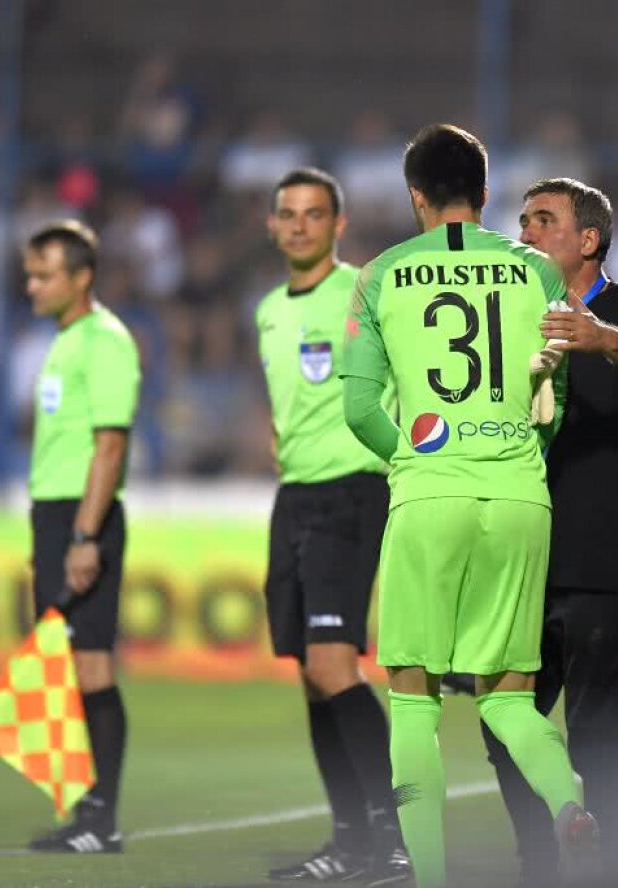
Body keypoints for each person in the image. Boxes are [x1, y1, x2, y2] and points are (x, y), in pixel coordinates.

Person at [339, 124, 597, 888]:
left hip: (429, 494)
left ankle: (431, 875)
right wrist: (521, 461)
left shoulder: (382, 274)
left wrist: (416, 463)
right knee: (511, 698)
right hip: (520, 495)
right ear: (485, 196)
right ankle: (566, 805)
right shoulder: (539, 274)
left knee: (413, 700)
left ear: (414, 195)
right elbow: (559, 399)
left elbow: (357, 409)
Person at [482, 177, 618, 886]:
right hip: (523, 559)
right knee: (502, 722)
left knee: (600, 741)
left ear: (588, 240)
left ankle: (614, 870)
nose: (527, 231)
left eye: (544, 220)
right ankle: (540, 857)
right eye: (523, 220)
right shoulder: (511, 316)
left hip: (602, 559)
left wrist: (602, 339)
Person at [256, 167, 410, 884]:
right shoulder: (266, 310)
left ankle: (391, 838)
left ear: (337, 225)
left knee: (332, 664)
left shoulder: (361, 292)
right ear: (271, 224)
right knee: (312, 678)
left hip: (352, 489)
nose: (297, 225)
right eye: (286, 214)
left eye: (312, 214)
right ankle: (351, 842)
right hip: (294, 495)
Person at [22, 221, 140, 853]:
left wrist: (84, 536)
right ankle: (90, 811)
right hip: (56, 516)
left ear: (81, 276)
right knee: (66, 667)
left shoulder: (105, 340)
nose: (31, 285)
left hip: (81, 517)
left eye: (44, 274)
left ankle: (103, 820)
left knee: (92, 665)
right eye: (30, 273)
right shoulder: (65, 341)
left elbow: (110, 444)